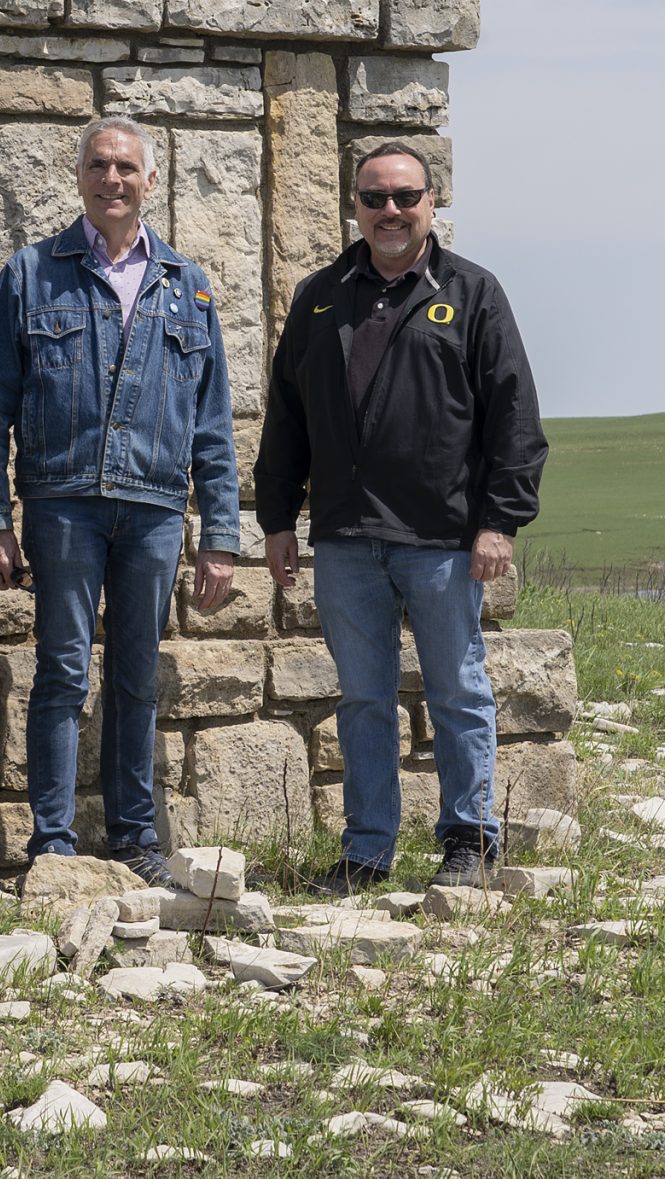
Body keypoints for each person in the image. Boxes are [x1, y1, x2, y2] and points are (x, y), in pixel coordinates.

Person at [253, 140, 547, 893]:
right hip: (348, 540)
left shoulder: (473, 293)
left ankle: (471, 840)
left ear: (431, 202)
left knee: (458, 690)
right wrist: (279, 517)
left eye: (405, 197)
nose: (390, 211)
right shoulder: (320, 296)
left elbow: (514, 415)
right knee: (362, 699)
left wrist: (498, 521)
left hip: (444, 538)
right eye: (375, 198)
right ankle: (367, 851)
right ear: (354, 204)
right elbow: (286, 417)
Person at [0, 117, 240, 885]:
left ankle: (134, 838)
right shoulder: (31, 274)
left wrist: (219, 534)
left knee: (135, 674)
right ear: (80, 177)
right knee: (62, 669)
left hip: (156, 510)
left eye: (127, 168)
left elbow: (213, 422)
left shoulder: (186, 285)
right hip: (62, 506)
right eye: (99, 165)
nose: (113, 179)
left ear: (149, 182)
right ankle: (53, 844)